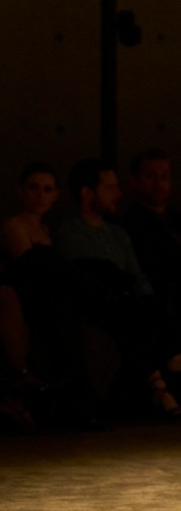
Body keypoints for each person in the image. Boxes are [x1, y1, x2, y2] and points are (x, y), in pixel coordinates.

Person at [56, 158, 181, 419]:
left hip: (127, 301)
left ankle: (158, 381)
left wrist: (148, 301)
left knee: (148, 308)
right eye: (110, 187)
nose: (119, 193)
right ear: (88, 193)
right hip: (97, 303)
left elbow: (136, 276)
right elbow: (82, 280)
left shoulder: (118, 234)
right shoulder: (69, 234)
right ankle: (162, 373)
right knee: (130, 314)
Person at [122, 148, 181, 317]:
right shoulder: (130, 225)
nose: (159, 184)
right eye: (151, 176)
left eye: (165, 177)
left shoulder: (177, 219)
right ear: (134, 181)